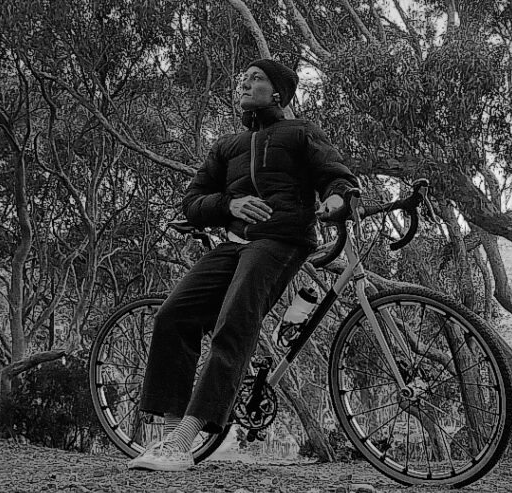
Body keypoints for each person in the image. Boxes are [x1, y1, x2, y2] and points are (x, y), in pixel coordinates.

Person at [127, 58, 356, 472]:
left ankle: (182, 442)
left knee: (235, 321)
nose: (245, 84)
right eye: (243, 78)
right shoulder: (227, 146)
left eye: (257, 78)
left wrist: (337, 201)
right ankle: (172, 441)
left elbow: (335, 175)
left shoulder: (300, 132)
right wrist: (228, 203)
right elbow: (193, 202)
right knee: (172, 316)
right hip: (231, 243)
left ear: (279, 93)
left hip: (280, 240)